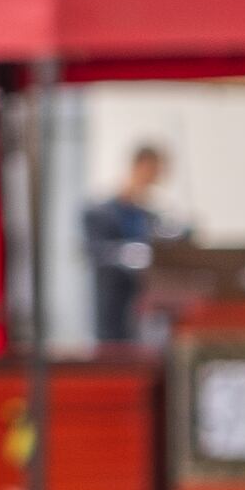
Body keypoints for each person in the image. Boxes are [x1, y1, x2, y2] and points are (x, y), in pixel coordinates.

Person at [88, 144, 185, 348]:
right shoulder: (100, 213)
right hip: (114, 308)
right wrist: (129, 254)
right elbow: (96, 252)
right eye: (152, 173)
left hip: (144, 311)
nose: (153, 181)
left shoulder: (150, 217)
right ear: (139, 167)